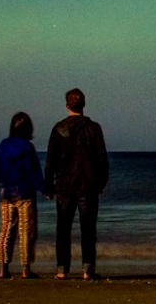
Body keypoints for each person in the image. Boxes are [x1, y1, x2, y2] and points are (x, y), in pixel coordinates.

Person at [44, 88, 109, 280]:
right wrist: (101, 183)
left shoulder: (58, 129)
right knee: (88, 229)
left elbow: (50, 160)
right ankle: (88, 268)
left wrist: (48, 185)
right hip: (88, 185)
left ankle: (62, 269)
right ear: (84, 104)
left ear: (67, 105)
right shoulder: (93, 128)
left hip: (64, 185)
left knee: (63, 229)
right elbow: (102, 159)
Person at [0, 112, 44, 279]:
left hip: (6, 191)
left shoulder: (3, 145)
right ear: (28, 128)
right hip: (24, 192)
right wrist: (43, 188)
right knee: (26, 231)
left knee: (6, 230)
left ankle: (3, 268)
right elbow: (34, 172)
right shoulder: (27, 148)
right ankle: (25, 269)